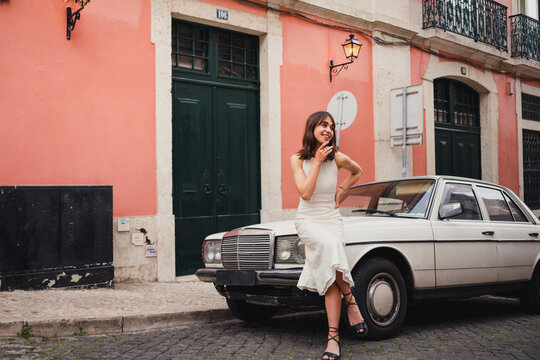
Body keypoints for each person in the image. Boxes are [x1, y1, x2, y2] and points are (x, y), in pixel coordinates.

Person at [290, 111, 366, 360]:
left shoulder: (339, 158)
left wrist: (342, 190)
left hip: (331, 219)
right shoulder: (297, 159)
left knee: (331, 275)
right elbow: (306, 193)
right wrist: (319, 162)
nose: (328, 129)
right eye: (323, 125)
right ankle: (351, 300)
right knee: (332, 246)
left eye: (332, 126)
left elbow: (358, 171)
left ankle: (333, 337)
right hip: (308, 220)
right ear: (312, 127)